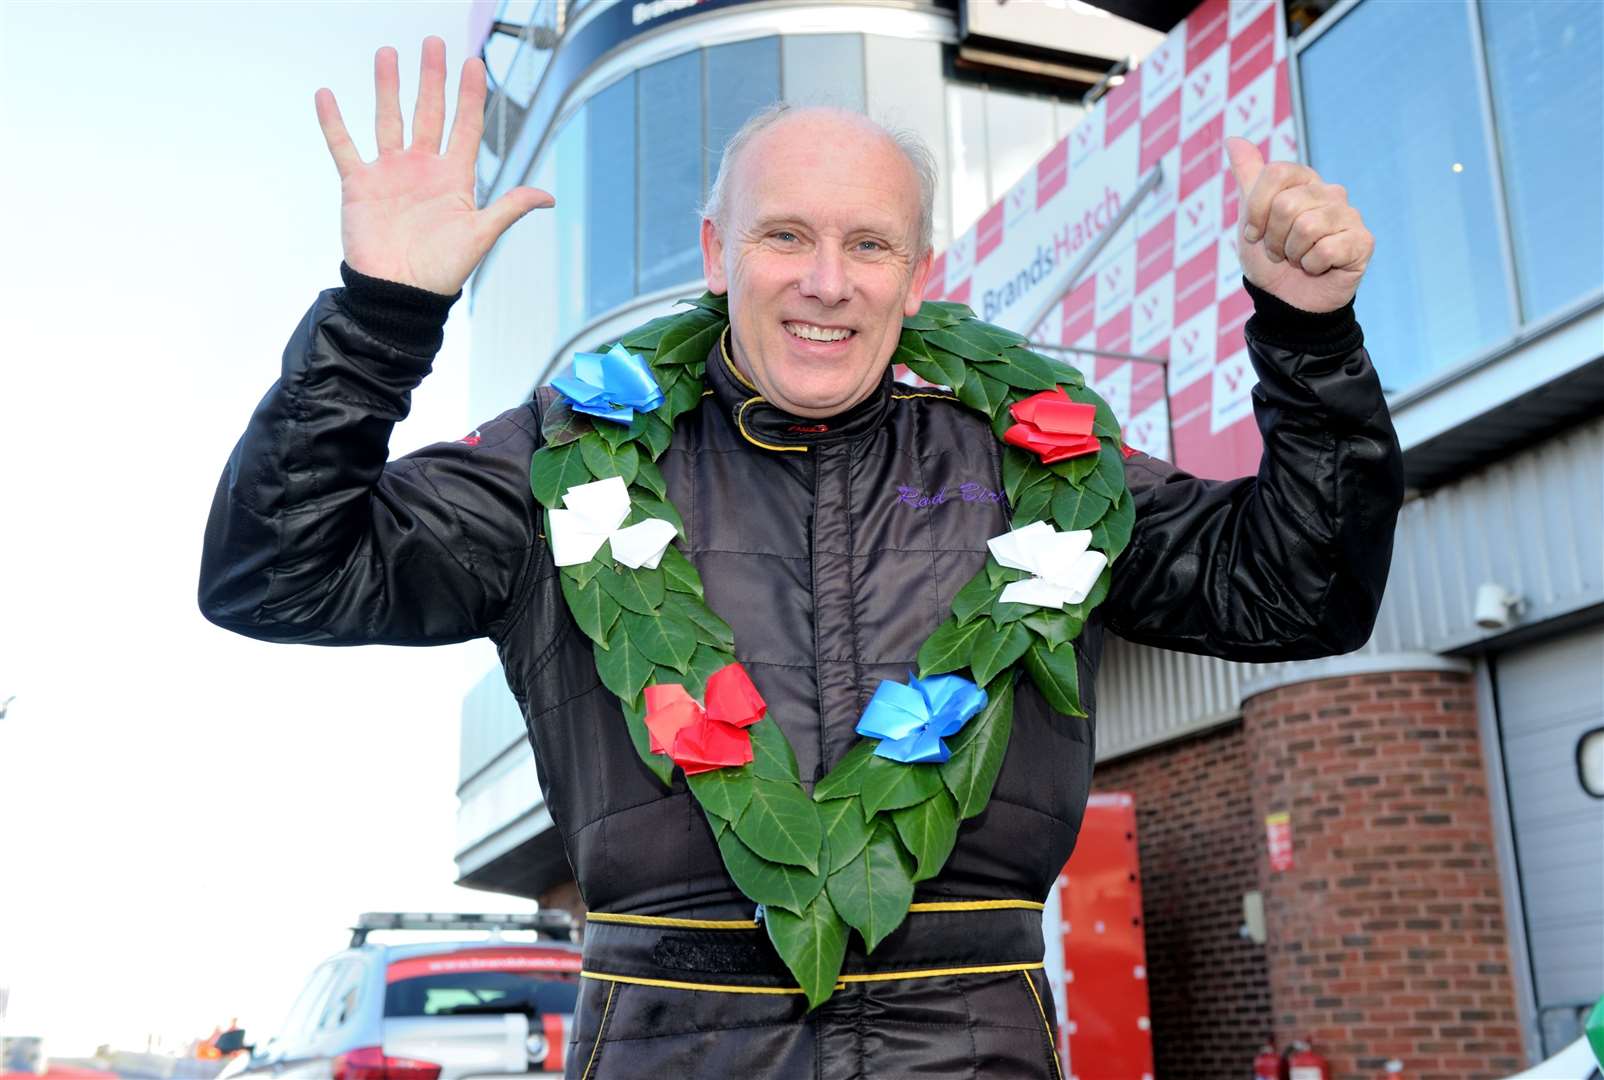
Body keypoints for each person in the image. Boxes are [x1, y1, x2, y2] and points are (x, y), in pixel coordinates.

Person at [199, 38, 1403, 1079]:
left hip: (971, 1048)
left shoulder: (1047, 464)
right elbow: (278, 571)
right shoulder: (560, 460)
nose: (826, 282)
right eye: (786, 235)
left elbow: (1297, 590)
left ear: (919, 277)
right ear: (718, 252)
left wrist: (1305, 337)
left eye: (868, 244)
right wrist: (381, 313)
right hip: (668, 1048)